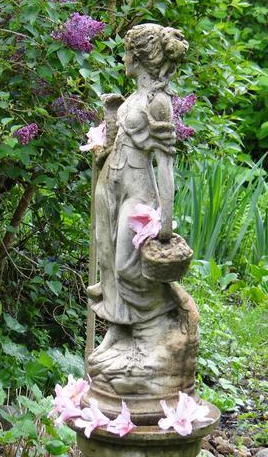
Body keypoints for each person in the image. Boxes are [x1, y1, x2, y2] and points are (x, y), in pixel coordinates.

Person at [89, 23, 189, 364]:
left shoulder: (159, 102)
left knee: (127, 266)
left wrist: (166, 225)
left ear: (141, 57)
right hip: (110, 185)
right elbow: (120, 143)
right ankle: (118, 331)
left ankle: (159, 325)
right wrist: (106, 130)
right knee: (108, 262)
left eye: (127, 52)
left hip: (137, 190)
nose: (123, 58)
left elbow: (165, 164)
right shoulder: (133, 97)